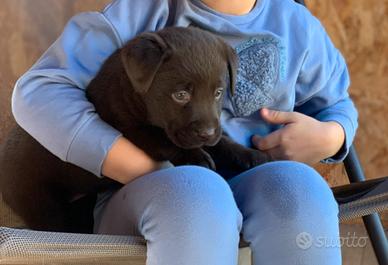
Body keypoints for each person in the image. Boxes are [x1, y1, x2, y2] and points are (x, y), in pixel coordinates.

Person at [12, 0, 358, 264]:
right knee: (197, 194)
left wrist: (331, 136)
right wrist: (140, 167)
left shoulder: (297, 27)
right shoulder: (144, 10)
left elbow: (337, 106)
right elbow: (37, 93)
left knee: (302, 189)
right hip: (148, 196)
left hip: (253, 184)